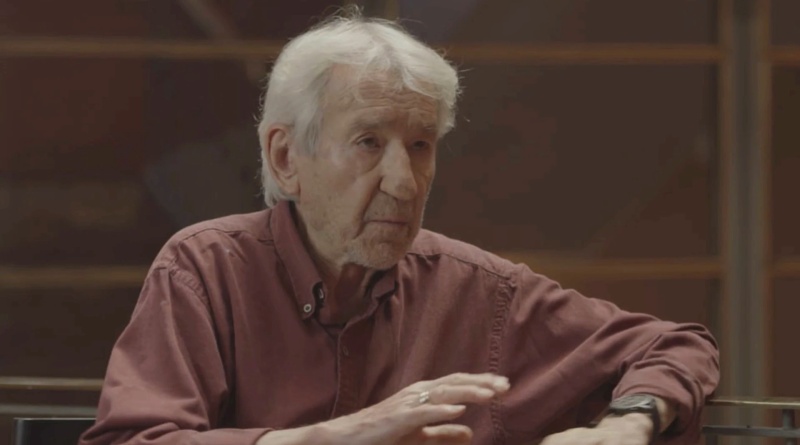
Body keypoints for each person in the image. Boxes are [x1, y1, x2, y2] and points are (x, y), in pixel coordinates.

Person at [79, 9, 719, 445]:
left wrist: (627, 425)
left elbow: (675, 346)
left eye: (420, 146)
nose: (405, 182)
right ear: (285, 157)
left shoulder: (479, 291)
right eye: (368, 142)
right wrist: (334, 438)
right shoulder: (206, 269)